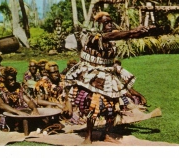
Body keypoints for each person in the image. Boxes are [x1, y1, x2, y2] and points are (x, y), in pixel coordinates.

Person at [63, 11, 155, 144]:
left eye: (111, 21)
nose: (110, 24)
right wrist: (133, 31)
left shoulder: (111, 37)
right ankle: (88, 136)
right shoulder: (93, 36)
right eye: (106, 22)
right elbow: (117, 35)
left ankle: (105, 134)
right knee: (93, 104)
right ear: (98, 25)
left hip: (108, 73)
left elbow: (126, 35)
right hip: (91, 74)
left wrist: (142, 32)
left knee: (113, 105)